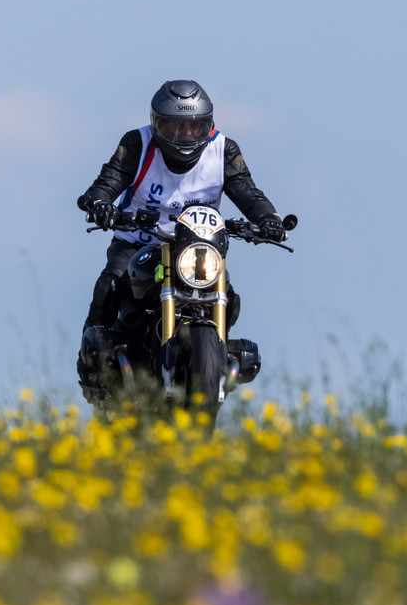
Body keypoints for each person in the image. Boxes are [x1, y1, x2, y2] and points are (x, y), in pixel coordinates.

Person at [75, 80, 283, 399]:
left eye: (194, 127)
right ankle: (92, 363)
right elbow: (109, 179)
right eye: (174, 126)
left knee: (227, 292)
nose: (184, 135)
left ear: (208, 126)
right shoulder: (137, 144)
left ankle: (216, 358)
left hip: (198, 247)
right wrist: (99, 203)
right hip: (138, 241)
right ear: (156, 124)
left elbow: (247, 191)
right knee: (111, 284)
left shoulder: (224, 150)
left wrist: (267, 219)